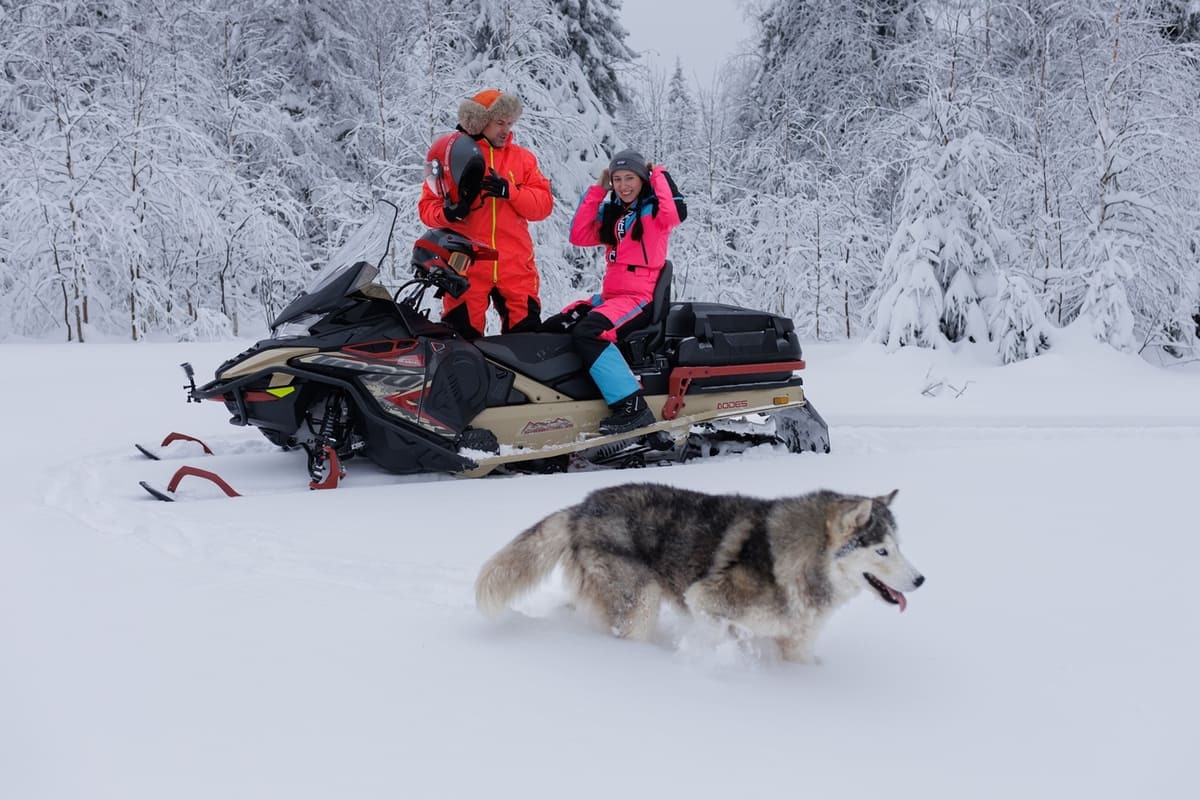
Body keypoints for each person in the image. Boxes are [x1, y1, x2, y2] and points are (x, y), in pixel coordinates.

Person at [563, 149, 682, 434]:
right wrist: (597, 190)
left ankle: (632, 406)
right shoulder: (615, 216)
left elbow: (674, 211)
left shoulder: (655, 215)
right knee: (560, 324)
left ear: (642, 180)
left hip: (639, 298)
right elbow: (578, 234)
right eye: (617, 179)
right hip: (611, 297)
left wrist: (658, 173)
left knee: (589, 331)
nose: (623, 185)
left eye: (630, 178)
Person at [418, 89, 553, 340]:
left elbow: (543, 206)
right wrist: (448, 213)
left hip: (515, 268)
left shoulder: (523, 159)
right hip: (466, 269)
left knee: (526, 346)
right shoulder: (450, 156)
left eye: (510, 123)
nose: (506, 130)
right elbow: (427, 208)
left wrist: (509, 191)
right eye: (499, 123)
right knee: (460, 347)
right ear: (480, 122)